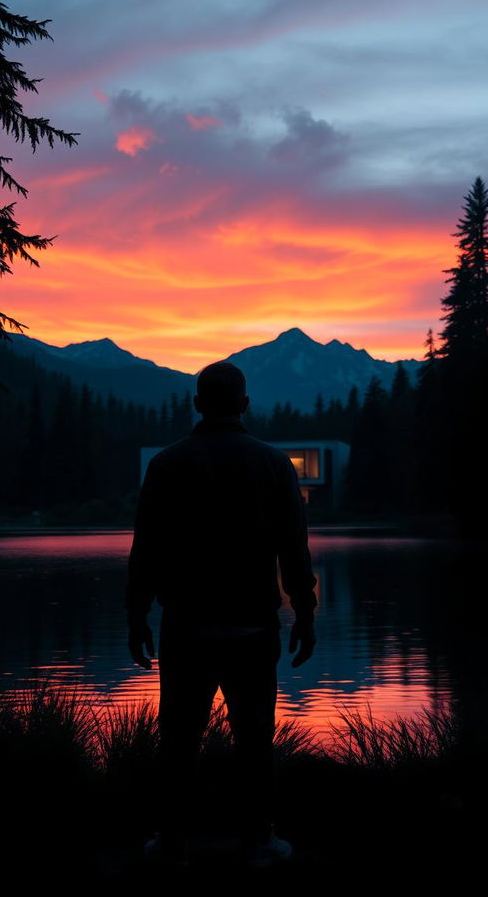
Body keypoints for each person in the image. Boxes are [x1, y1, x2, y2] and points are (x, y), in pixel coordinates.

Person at [125, 360, 317, 867]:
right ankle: (258, 840)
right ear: (245, 405)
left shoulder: (167, 464)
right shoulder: (275, 465)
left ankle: (171, 841)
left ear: (197, 404)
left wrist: (135, 614)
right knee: (255, 738)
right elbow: (294, 551)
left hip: (185, 626)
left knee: (178, 738)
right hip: (253, 627)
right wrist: (306, 613)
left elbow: (146, 549)